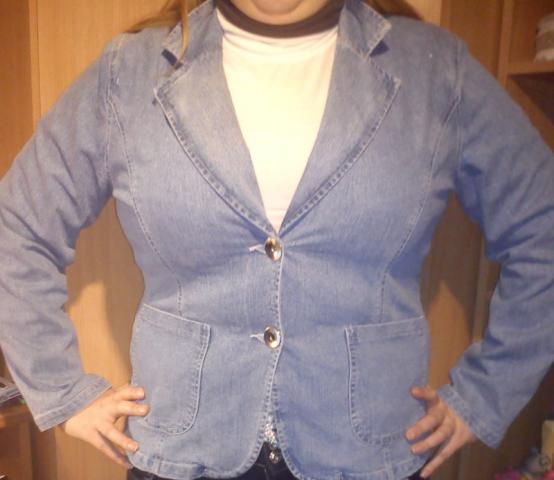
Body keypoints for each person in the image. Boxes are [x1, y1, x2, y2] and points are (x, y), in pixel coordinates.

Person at [0, 0, 552, 479]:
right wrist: (63, 392)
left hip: (368, 454)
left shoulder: (434, 69)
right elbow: (18, 225)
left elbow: (542, 226)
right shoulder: (129, 72)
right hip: (185, 455)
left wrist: (485, 396)